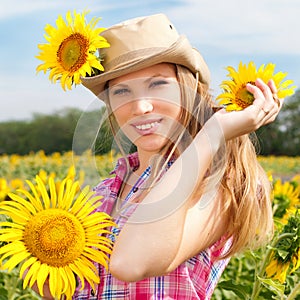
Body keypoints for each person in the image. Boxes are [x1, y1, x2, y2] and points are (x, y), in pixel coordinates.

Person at [40, 13, 281, 299]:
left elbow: (131, 263)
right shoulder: (106, 188)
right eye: (121, 91)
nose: (140, 106)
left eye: (158, 84)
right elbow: (63, 288)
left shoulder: (217, 181)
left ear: (188, 90)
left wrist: (212, 134)